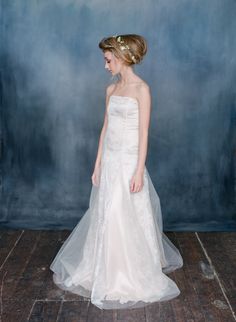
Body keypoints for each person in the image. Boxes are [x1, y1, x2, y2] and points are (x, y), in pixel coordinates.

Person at [50, 34, 183, 310]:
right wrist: (97, 163)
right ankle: (104, 264)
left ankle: (129, 269)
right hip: (110, 160)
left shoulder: (141, 89)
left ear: (122, 58)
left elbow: (144, 133)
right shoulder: (111, 91)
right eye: (105, 60)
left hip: (128, 161)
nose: (106, 65)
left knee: (127, 211)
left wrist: (138, 171)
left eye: (108, 60)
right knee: (106, 211)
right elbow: (105, 129)